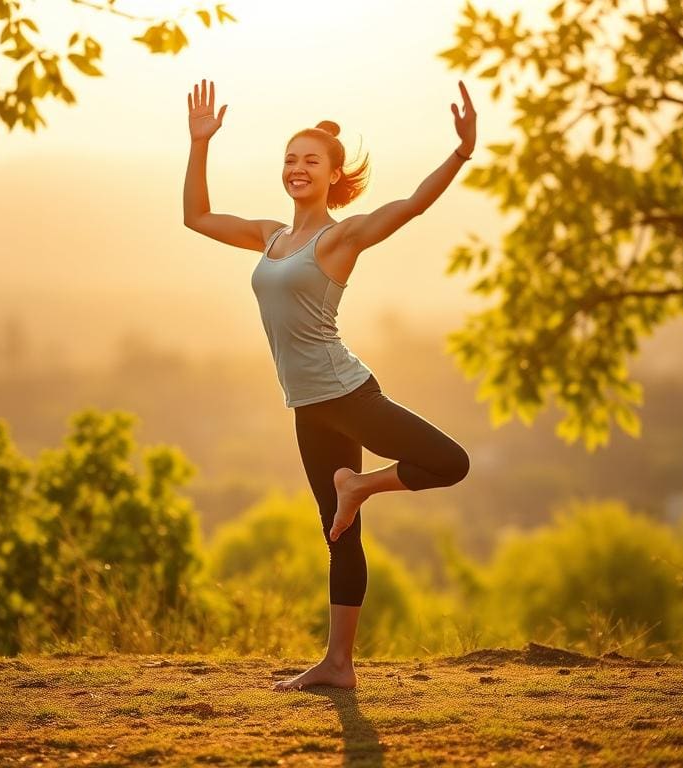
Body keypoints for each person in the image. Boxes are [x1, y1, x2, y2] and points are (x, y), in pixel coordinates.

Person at [183, 78, 476, 691]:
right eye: (290, 159)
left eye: (311, 160)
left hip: (347, 394)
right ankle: (338, 665)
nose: (297, 168)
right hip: (307, 407)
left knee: (449, 461)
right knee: (337, 534)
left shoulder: (338, 238)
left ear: (333, 174)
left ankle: (363, 485)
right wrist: (199, 143)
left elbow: (411, 206)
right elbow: (197, 217)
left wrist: (459, 154)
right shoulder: (269, 236)